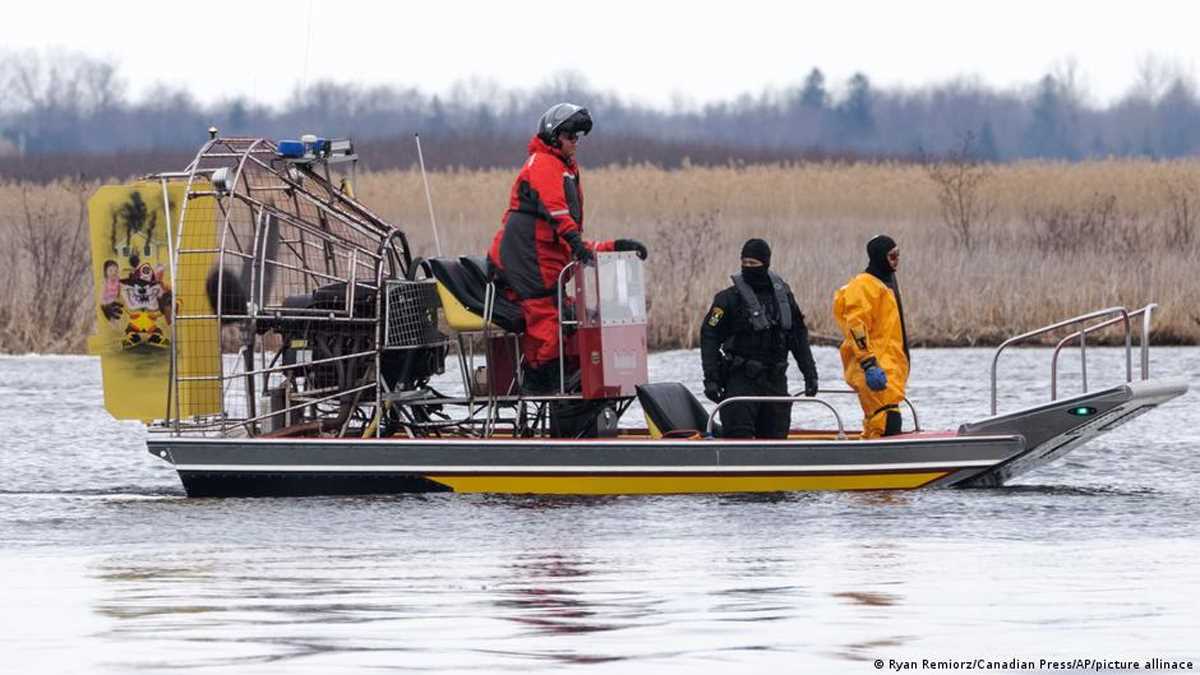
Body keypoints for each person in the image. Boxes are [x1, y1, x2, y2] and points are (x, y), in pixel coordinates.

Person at [488, 102, 648, 393]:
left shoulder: (563, 168)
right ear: (554, 136)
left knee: (572, 318)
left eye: (578, 138)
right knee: (548, 323)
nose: (576, 143)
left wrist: (613, 247)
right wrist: (577, 245)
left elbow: (568, 235)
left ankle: (572, 393)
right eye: (571, 137)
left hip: (542, 263)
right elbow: (559, 216)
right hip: (526, 263)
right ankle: (544, 388)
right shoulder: (544, 165)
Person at [700, 238, 819, 439]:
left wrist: (810, 374)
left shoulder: (784, 298)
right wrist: (711, 379)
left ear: (766, 264)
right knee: (738, 437)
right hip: (741, 380)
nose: (748, 268)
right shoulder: (728, 299)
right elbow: (709, 336)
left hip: (776, 380)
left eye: (753, 264)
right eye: (744, 263)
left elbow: (798, 337)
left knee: (776, 438)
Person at [832, 234, 910, 439]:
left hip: (888, 369)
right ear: (879, 258)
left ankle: (871, 456)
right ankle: (875, 463)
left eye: (898, 255)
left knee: (885, 420)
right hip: (874, 368)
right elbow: (856, 326)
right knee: (883, 421)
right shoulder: (864, 286)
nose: (896, 260)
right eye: (892, 256)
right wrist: (868, 363)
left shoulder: (885, 285)